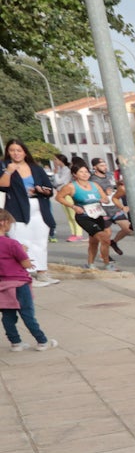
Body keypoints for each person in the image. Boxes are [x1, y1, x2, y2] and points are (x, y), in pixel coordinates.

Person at [1, 140, 58, 286]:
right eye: (12, 150)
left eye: (19, 150)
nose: (16, 153)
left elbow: (49, 189)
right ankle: (27, 274)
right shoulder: (4, 166)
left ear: (25, 152)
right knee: (22, 242)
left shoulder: (36, 168)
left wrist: (41, 190)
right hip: (17, 209)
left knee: (40, 241)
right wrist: (9, 171)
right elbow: (3, 186)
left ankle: (42, 272)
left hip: (38, 207)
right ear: (8, 152)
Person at [1, 209, 58, 350]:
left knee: (7, 315)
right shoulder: (12, 244)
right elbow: (25, 263)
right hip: (18, 283)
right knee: (27, 313)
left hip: (2, 284)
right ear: (4, 223)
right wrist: (24, 252)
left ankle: (16, 343)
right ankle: (42, 341)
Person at [55, 161, 114, 270]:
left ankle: (90, 264)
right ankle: (107, 264)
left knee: (94, 242)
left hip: (98, 214)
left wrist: (104, 200)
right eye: (81, 172)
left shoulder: (94, 185)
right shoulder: (71, 187)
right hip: (84, 217)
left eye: (86, 172)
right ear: (75, 174)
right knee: (105, 238)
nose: (85, 174)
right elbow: (58, 197)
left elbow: (105, 198)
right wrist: (73, 206)